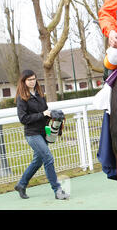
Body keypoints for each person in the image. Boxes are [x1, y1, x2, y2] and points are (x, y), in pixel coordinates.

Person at [14, 70, 69, 200]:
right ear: (24, 81)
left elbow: (45, 111)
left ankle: (21, 184)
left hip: (43, 131)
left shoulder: (39, 94)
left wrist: (53, 116)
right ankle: (58, 190)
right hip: (32, 134)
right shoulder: (21, 98)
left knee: (37, 161)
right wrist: (43, 114)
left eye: (34, 79)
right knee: (48, 158)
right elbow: (23, 119)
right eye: (29, 80)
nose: (32, 81)